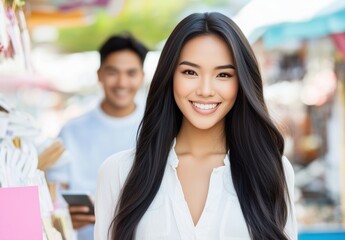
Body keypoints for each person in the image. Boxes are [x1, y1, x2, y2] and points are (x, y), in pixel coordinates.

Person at [95, 12, 297, 240]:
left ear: (241, 82)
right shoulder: (119, 172)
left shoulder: (271, 169)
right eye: (190, 72)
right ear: (169, 76)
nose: (205, 89)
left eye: (223, 74)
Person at [46, 34, 148, 240]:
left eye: (131, 73)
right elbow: (52, 195)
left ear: (142, 76)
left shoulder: (156, 126)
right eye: (113, 72)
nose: (122, 82)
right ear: (99, 74)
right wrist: (64, 217)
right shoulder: (71, 131)